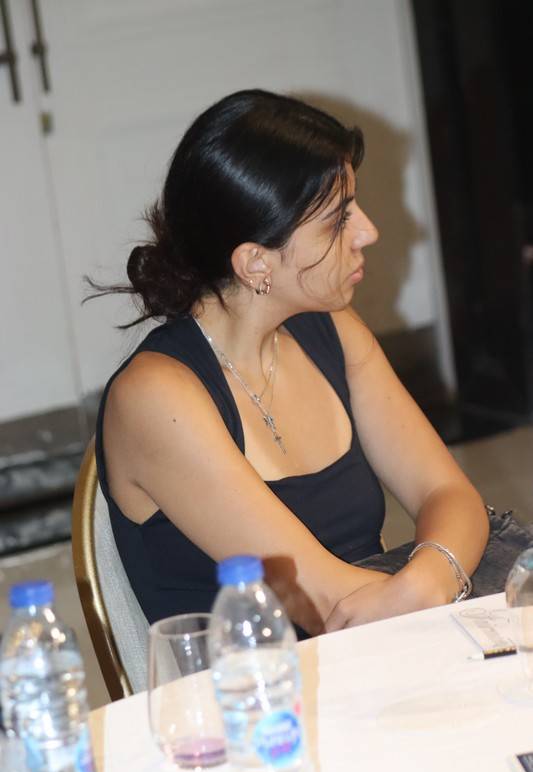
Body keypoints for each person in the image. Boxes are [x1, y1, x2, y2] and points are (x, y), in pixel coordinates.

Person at [93, 89, 488, 639]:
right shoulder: (157, 398)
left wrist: (427, 580)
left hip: (378, 649)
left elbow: (450, 495)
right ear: (256, 262)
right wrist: (435, 585)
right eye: (338, 220)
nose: (368, 232)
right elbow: (327, 603)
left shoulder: (331, 330)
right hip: (261, 687)